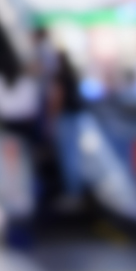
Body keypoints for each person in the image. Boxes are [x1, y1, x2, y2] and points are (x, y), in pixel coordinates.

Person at [51, 50, 86, 208]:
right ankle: (75, 192)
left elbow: (58, 98)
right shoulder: (73, 74)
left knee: (68, 156)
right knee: (74, 156)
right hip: (77, 117)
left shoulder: (60, 76)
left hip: (66, 118)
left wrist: (52, 117)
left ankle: (73, 194)